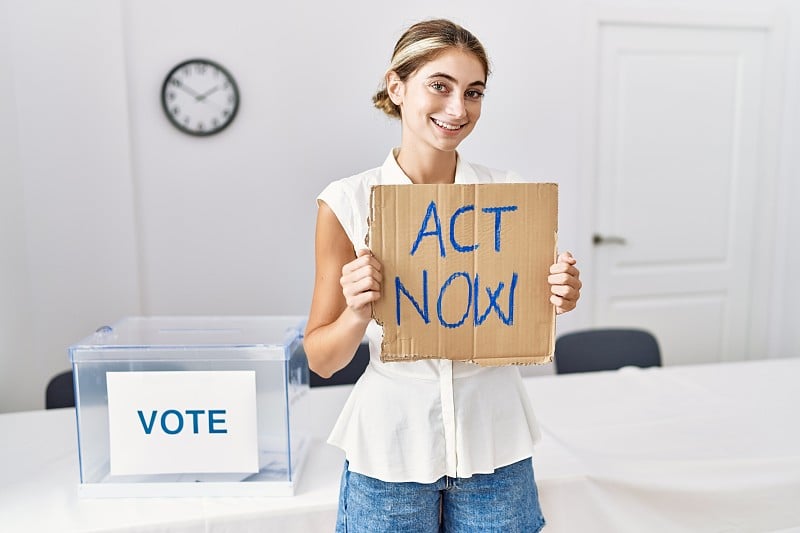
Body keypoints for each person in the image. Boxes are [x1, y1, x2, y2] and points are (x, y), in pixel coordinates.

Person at [304, 18, 582, 532]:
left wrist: (556, 295)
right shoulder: (346, 202)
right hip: (390, 449)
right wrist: (356, 311)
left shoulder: (509, 196)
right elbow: (322, 359)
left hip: (494, 445)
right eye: (440, 85)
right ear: (397, 86)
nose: (459, 109)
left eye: (473, 92)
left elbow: (520, 314)